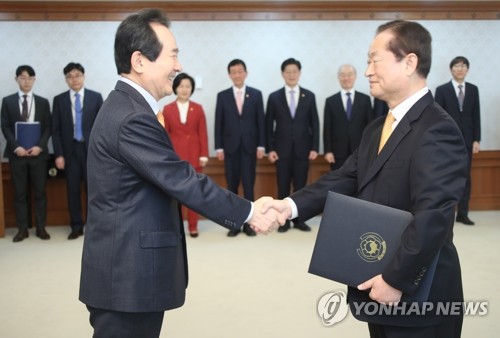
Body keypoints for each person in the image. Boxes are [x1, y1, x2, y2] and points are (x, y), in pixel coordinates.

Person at [78, 9, 282, 338]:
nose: (179, 66)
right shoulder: (131, 116)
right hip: (126, 276)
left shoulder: (126, 106)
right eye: (173, 55)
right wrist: (249, 211)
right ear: (140, 61)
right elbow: (182, 181)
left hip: (125, 270)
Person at [263, 20, 467, 338]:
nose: (368, 70)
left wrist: (396, 280)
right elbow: (345, 177)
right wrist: (288, 206)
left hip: (418, 298)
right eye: (367, 61)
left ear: (409, 62)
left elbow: (434, 217)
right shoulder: (376, 128)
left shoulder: (437, 129)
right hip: (375, 282)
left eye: (375, 59)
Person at [265, 57, 319, 233]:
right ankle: (284, 221)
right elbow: (268, 126)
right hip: (281, 151)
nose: (291, 75)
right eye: (288, 72)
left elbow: (315, 124)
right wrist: (270, 149)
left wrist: (314, 148)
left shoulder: (309, 96)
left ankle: (299, 220)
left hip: (303, 150)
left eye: (294, 71)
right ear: (282, 74)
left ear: (299, 73)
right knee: (283, 186)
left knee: (301, 187)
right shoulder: (274, 97)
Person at [52, 62, 104, 239]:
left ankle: (93, 226)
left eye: (77, 75)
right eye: (70, 76)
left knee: (93, 191)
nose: (74, 79)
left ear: (84, 76)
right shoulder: (59, 100)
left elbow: (102, 127)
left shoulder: (95, 97)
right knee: (72, 190)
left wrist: (102, 153)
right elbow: (56, 130)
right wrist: (58, 154)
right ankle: (76, 226)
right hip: (70, 151)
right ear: (66, 79)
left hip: (91, 151)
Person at [214, 59, 266, 237]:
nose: (237, 74)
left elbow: (261, 122)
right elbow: (218, 123)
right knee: (232, 187)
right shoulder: (222, 96)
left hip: (250, 148)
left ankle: (250, 225)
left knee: (249, 186)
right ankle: (234, 224)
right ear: (230, 75)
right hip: (230, 148)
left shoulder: (256, 94)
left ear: (246, 72)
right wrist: (218, 147)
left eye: (240, 71)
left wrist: (261, 144)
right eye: (233, 72)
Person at [1, 65, 52, 242]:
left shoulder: (43, 102)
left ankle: (41, 228)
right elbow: (5, 126)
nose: (26, 81)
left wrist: (40, 146)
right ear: (16, 79)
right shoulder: (7, 102)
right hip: (17, 155)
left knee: (40, 193)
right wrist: (17, 147)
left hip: (38, 155)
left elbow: (48, 127)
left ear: (34, 80)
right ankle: (22, 230)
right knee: (20, 194)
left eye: (30, 78)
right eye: (22, 78)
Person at [158, 72, 209, 238]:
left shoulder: (198, 108)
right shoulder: (167, 109)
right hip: (175, 157)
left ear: (192, 89)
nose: (185, 89)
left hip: (195, 156)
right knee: (175, 195)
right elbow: (165, 134)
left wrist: (204, 154)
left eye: (188, 86)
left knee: (194, 193)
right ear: (175, 88)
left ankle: (193, 226)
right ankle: (177, 226)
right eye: (181, 86)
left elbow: (203, 133)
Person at [435, 56, 481, 226]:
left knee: (465, 178)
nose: (460, 69)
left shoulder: (474, 90)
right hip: (447, 141)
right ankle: (445, 214)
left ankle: (463, 213)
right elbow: (437, 117)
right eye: (456, 66)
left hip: (468, 141)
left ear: (467, 70)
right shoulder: (442, 90)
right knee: (446, 177)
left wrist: (477, 139)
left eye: (463, 66)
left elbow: (476, 115)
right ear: (451, 69)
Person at [323, 64, 373, 170]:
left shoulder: (365, 99)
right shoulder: (331, 101)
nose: (346, 78)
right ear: (338, 77)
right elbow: (327, 128)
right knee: (337, 183)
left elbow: (370, 126)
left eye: (349, 75)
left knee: (359, 182)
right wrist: (328, 151)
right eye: (342, 75)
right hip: (337, 152)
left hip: (360, 150)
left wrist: (369, 149)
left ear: (355, 76)